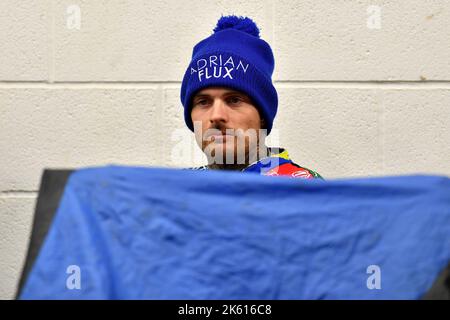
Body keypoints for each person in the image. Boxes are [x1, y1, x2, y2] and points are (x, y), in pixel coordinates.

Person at [180, 15, 322, 179]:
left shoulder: (302, 189)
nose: (217, 115)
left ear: (262, 115)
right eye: (203, 102)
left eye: (234, 100)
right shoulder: (175, 190)